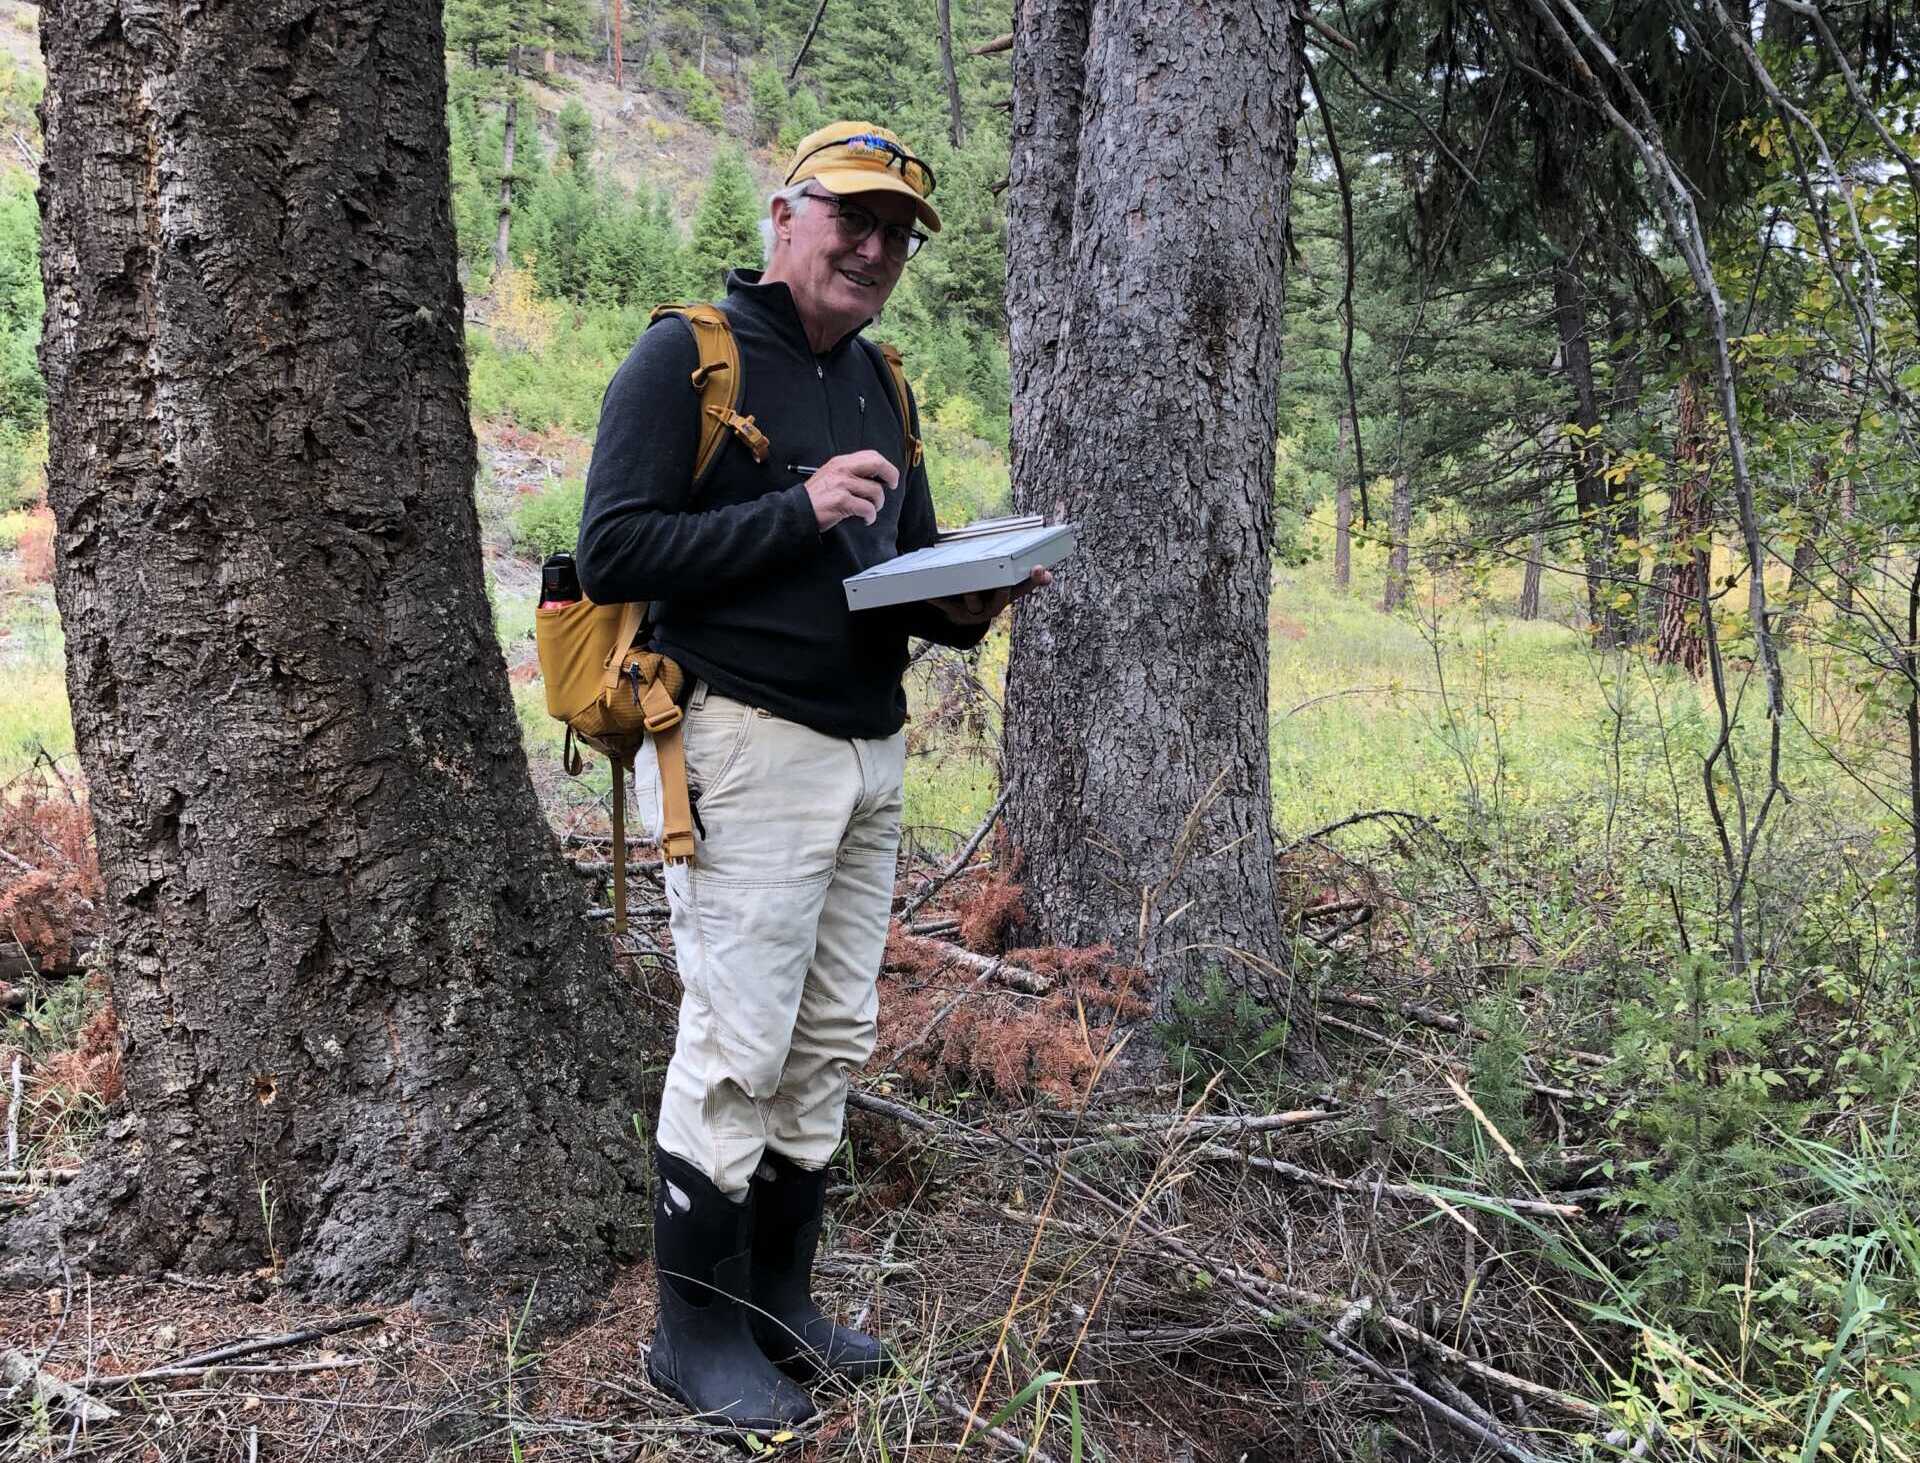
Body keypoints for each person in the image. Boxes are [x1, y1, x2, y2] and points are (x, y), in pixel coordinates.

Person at [576, 120, 1048, 1432]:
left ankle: (781, 1304)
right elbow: (611, 549)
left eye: (898, 231)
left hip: (868, 742)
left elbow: (899, 585)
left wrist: (979, 594)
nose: (877, 247)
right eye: (854, 217)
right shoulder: (690, 356)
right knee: (737, 1042)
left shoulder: (883, 386)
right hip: (742, 739)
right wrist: (798, 510)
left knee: (831, 1036)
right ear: (786, 215)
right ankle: (694, 1335)